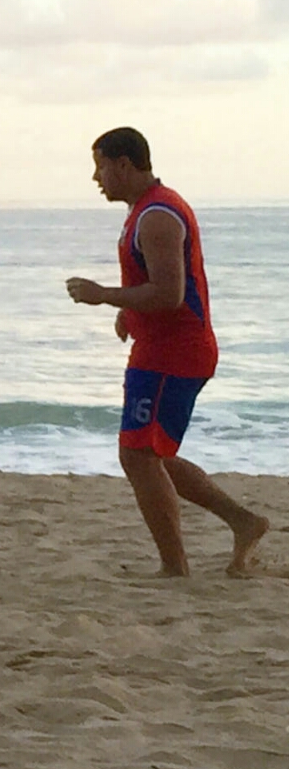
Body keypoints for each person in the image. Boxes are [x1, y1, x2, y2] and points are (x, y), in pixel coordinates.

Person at [65, 127, 268, 577]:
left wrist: (106, 296)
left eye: (100, 166)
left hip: (175, 353)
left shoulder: (157, 216)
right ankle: (243, 521)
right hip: (162, 347)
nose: (96, 177)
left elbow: (170, 294)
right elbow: (155, 286)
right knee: (148, 454)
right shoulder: (145, 210)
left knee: (137, 455)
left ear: (123, 164)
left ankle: (175, 567)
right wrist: (128, 314)